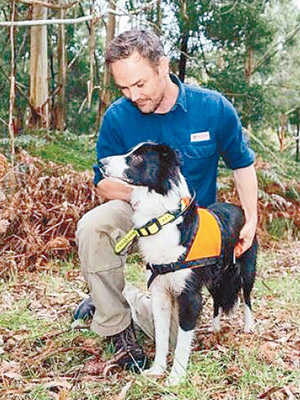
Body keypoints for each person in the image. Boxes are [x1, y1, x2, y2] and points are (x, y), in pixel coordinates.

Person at [75, 29, 258, 371]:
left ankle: (122, 297)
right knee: (93, 226)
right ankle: (115, 323)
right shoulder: (118, 116)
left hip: (191, 223)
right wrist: (148, 199)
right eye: (124, 88)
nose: (133, 95)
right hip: (136, 207)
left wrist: (252, 218)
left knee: (175, 336)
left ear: (162, 67)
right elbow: (103, 185)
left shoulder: (213, 108)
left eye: (140, 84)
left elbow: (242, 165)